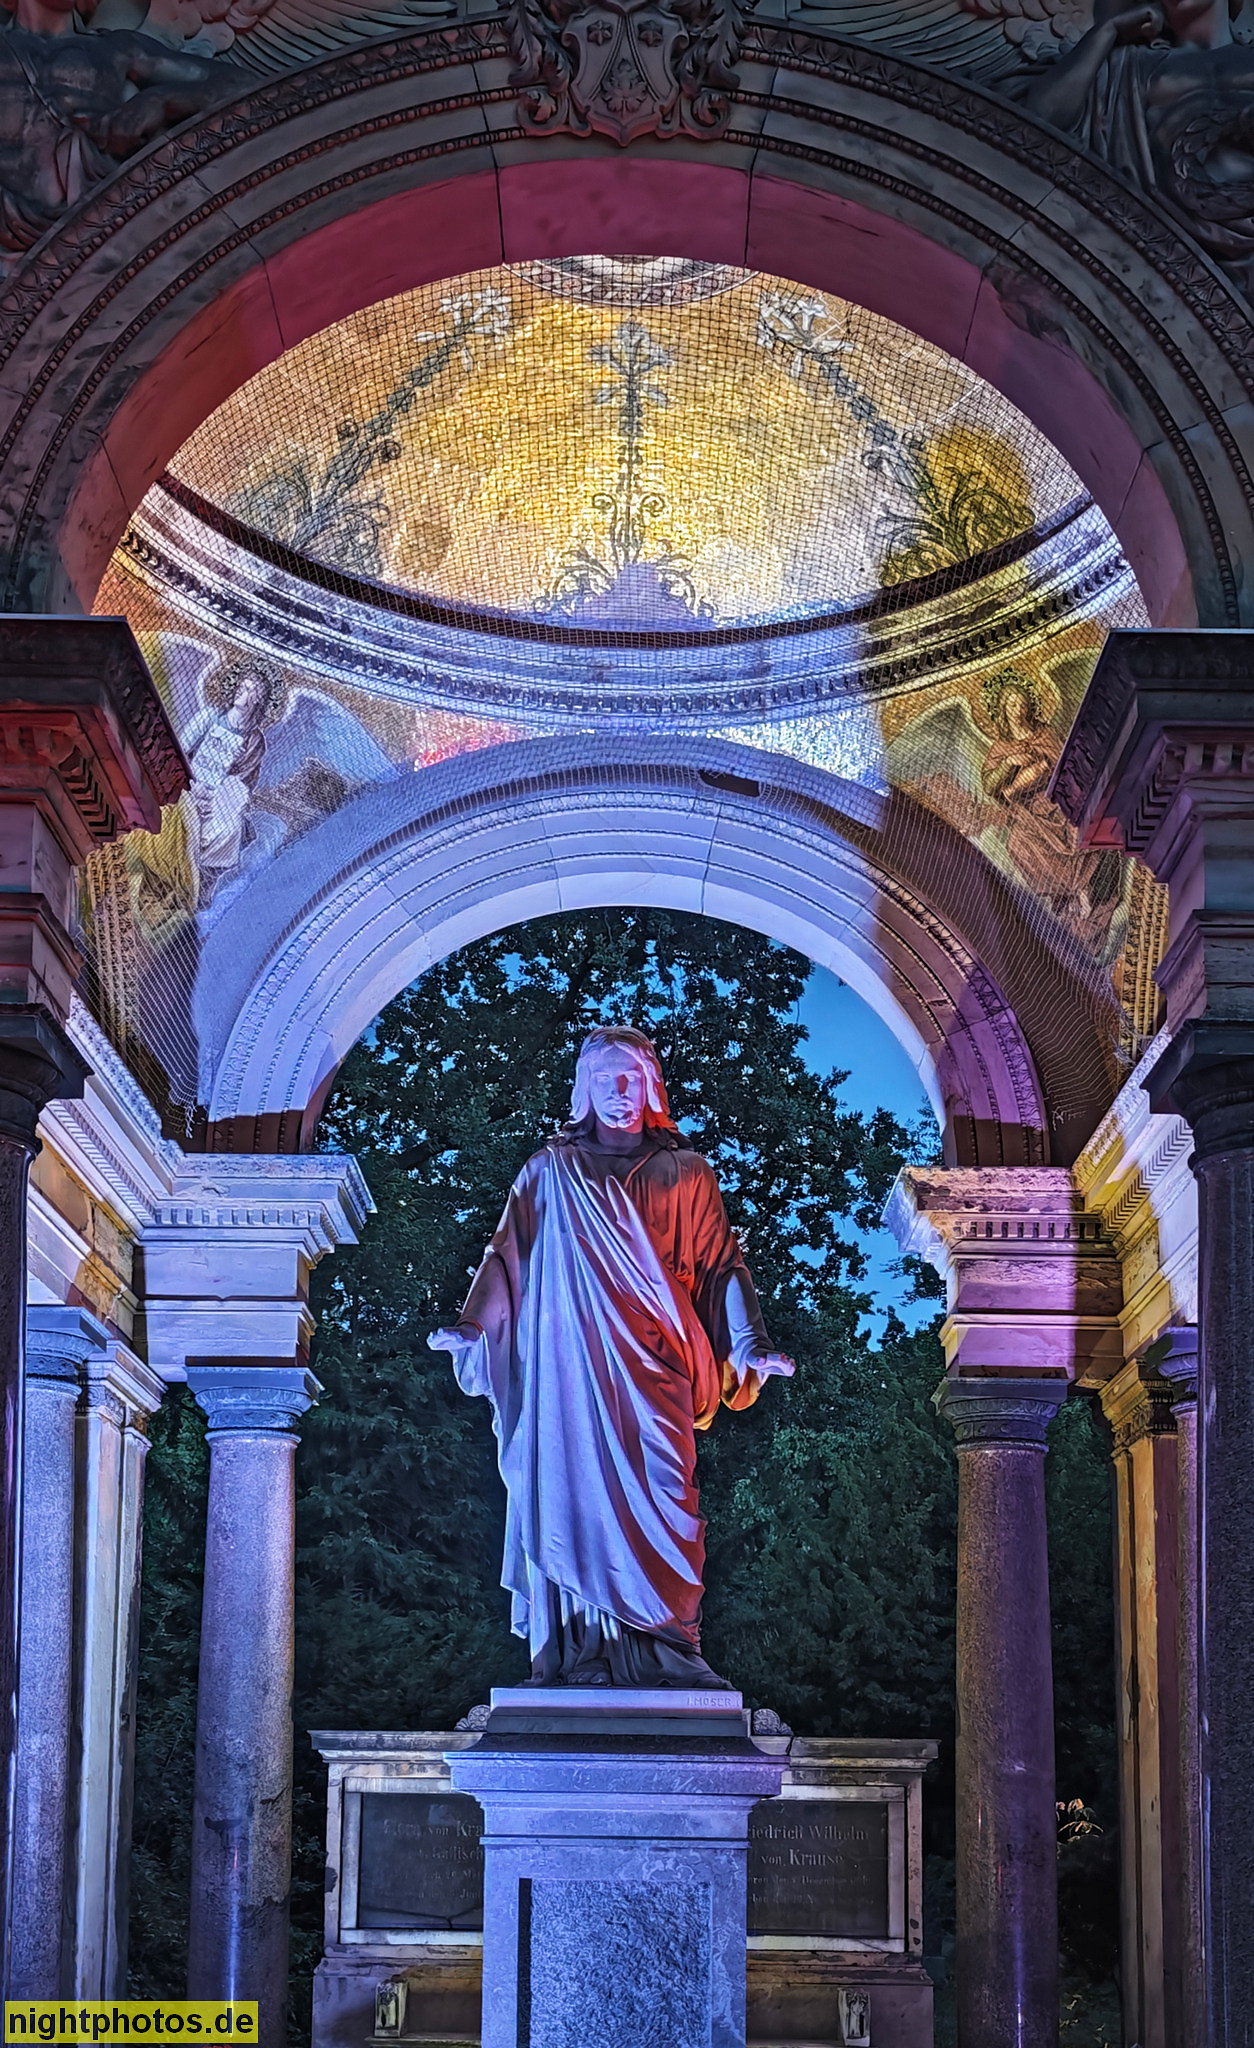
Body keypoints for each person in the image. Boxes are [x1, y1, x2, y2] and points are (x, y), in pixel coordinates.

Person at [430, 1026, 794, 1689]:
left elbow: (722, 1268)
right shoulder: (548, 1171)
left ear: (651, 1086)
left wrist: (749, 1342)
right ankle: (581, 1654)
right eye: (604, 1079)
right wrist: (473, 1328)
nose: (619, 1090)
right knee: (573, 1502)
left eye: (631, 1077)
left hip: (658, 1368)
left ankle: (672, 1651)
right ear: (585, 1089)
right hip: (570, 1374)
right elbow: (505, 1261)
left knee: (667, 1495)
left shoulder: (687, 1173)